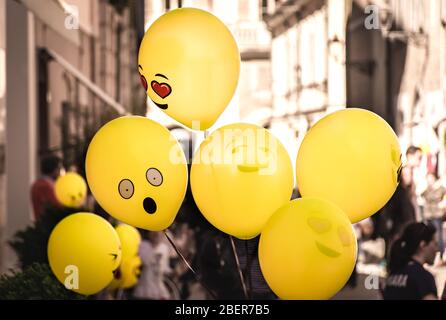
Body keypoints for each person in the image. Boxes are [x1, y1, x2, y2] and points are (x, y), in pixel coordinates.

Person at [382, 222, 438, 300]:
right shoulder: (423, 278)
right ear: (423, 245)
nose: (437, 249)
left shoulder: (393, 274)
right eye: (435, 244)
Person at [133, 231, 171, 300]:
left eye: (159, 232)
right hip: (144, 290)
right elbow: (145, 261)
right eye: (154, 232)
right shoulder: (143, 245)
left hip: (159, 291)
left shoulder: (164, 248)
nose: (156, 234)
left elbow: (165, 268)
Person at [422, 172, 446, 261]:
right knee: (430, 236)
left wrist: (443, 204)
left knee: (438, 236)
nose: (429, 181)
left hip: (437, 215)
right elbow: (420, 196)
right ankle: (434, 256)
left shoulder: (440, 189)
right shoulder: (427, 190)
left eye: (431, 179)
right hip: (428, 215)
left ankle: (440, 255)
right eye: (428, 180)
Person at [30, 155, 62, 221]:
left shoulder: (40, 183)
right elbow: (57, 206)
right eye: (59, 168)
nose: (60, 172)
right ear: (53, 169)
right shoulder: (44, 186)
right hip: (48, 225)